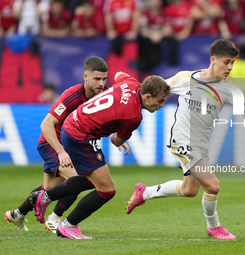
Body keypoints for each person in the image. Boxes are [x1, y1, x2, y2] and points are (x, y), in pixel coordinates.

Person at [125, 39, 245, 239]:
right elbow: (153, 92)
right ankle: (213, 226)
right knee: (213, 185)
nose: (230, 67)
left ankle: (143, 193)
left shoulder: (229, 89)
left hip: (201, 143)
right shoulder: (185, 79)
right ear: (213, 60)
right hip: (182, 141)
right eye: (226, 62)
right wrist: (125, 122)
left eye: (233, 62)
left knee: (189, 190)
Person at [29, 72, 171, 239]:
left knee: (91, 180)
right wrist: (117, 137)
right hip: (80, 136)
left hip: (71, 125)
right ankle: (68, 225)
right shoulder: (133, 116)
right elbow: (117, 141)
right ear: (147, 97)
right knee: (107, 190)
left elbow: (118, 74)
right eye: (160, 100)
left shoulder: (132, 82)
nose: (161, 105)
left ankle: (44, 197)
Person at [4, 56, 116, 233]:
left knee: (49, 188)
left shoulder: (106, 95)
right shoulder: (72, 95)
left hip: (74, 147)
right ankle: (54, 219)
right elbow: (46, 124)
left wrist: (118, 136)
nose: (102, 83)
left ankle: (18, 213)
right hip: (53, 144)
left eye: (104, 78)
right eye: (97, 79)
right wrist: (61, 152)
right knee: (80, 179)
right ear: (85, 76)